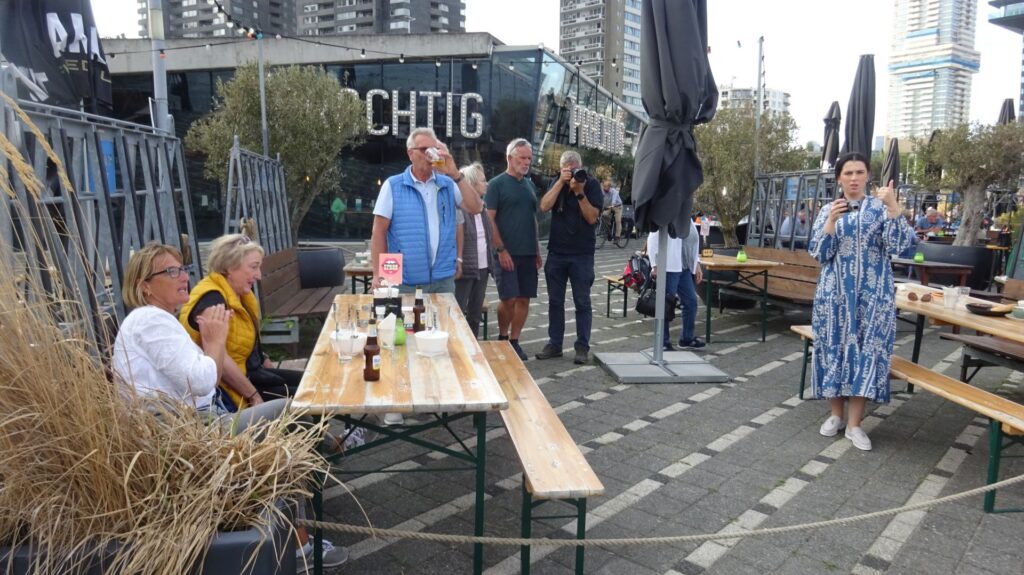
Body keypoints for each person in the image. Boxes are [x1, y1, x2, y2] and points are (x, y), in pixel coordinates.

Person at [112, 243, 349, 571]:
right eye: (171, 271)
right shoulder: (150, 321)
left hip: (193, 426)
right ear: (145, 286)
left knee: (292, 418)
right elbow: (200, 381)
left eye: (183, 269)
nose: (184, 276)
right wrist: (215, 342)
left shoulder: (155, 320)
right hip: (189, 435)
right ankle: (301, 542)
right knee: (290, 413)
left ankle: (302, 523)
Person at [808, 152, 914, 451]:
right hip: (834, 297)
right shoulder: (828, 210)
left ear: (868, 176)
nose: (854, 178)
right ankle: (835, 414)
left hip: (873, 297)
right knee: (834, 348)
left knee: (866, 352)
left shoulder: (880, 209)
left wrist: (893, 208)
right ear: (839, 178)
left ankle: (855, 424)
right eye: (848, 173)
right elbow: (818, 252)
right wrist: (831, 222)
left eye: (859, 172)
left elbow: (899, 245)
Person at [179, 233, 301, 409]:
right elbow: (220, 361)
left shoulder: (237, 294)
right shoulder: (212, 302)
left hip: (252, 374)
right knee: (311, 397)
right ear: (229, 266)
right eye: (254, 267)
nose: (259, 275)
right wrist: (253, 396)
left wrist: (264, 360)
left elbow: (243, 343)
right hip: (232, 391)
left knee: (313, 384)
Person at [370, 127, 484, 294]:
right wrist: (378, 274)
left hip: (442, 280)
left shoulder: (448, 184)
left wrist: (455, 174)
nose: (430, 154)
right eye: (424, 149)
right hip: (403, 280)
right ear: (410, 154)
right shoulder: (393, 185)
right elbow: (379, 232)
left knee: (445, 313)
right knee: (400, 313)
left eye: (434, 149)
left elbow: (476, 208)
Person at [536, 151, 603, 364]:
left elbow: (591, 218)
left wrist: (579, 192)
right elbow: (544, 206)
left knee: (582, 302)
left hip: (582, 254)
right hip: (556, 253)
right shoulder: (557, 182)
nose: (573, 173)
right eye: (568, 170)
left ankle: (582, 347)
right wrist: (560, 183)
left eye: (576, 169)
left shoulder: (591, 184)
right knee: (555, 302)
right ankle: (555, 344)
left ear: (581, 167)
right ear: (562, 168)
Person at [487, 138, 542, 361]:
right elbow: (489, 219)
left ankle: (514, 341)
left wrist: (537, 249)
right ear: (509, 158)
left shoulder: (529, 186)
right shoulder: (496, 184)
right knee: (508, 298)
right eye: (523, 158)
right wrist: (501, 250)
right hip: (505, 252)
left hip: (528, 252)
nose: (527, 162)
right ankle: (502, 337)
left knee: (524, 299)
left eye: (529, 158)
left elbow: (533, 219)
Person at [647, 221, 705, 351]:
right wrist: (654, 265)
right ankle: (663, 341)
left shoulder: (687, 218)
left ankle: (686, 339)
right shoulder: (668, 215)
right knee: (665, 305)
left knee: (691, 302)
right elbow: (652, 239)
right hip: (669, 267)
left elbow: (692, 243)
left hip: (684, 267)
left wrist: (697, 263)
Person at [454, 162, 493, 338]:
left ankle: (474, 346)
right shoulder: (460, 208)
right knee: (458, 311)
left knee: (475, 314)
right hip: (465, 269)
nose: (487, 184)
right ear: (471, 184)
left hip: (483, 268)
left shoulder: (483, 207)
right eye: (483, 181)